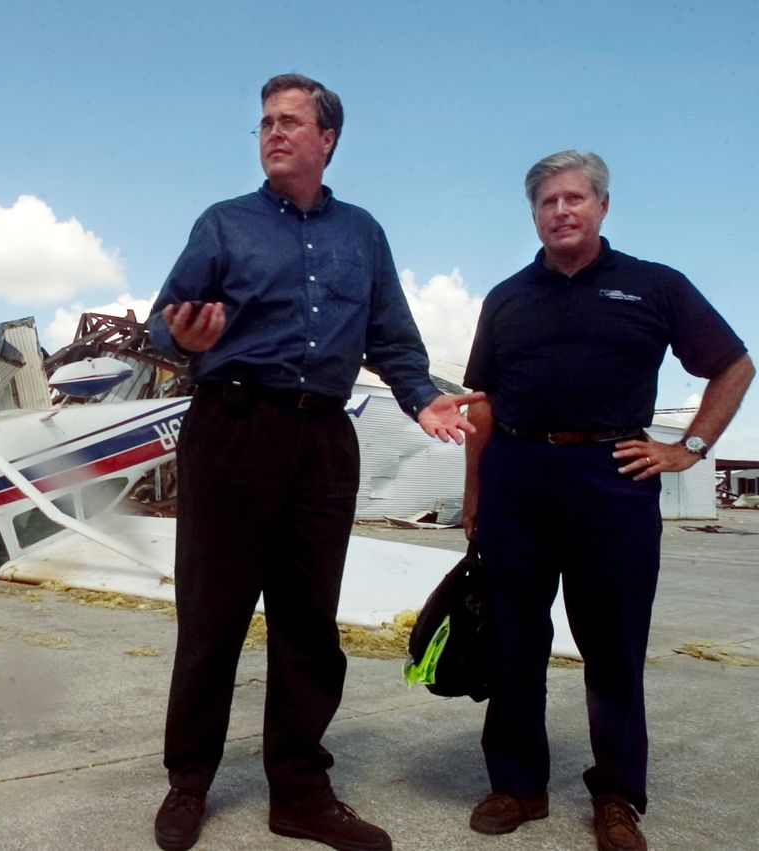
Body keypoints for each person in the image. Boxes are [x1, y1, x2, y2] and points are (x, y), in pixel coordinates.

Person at [146, 73, 483, 851]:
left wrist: (422, 397)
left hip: (323, 440)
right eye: (265, 121)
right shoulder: (223, 225)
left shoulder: (362, 234)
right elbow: (166, 326)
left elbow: (393, 338)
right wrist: (184, 339)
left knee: (308, 623)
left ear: (327, 139)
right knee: (211, 618)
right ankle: (188, 782)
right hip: (231, 427)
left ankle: (299, 790)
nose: (274, 133)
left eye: (291, 122)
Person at [461, 150, 753, 851]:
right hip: (518, 479)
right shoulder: (506, 296)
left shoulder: (654, 287)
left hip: (612, 477)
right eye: (546, 203)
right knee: (515, 640)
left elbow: (734, 364)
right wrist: (475, 492)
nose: (560, 212)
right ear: (533, 215)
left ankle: (618, 794)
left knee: (613, 647)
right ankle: (518, 784)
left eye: (573, 199)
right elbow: (483, 403)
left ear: (601, 207)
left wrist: (691, 447)